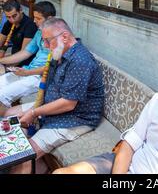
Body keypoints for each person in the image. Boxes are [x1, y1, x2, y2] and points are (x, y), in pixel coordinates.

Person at [9, 18, 104, 174]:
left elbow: (68, 104)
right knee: (10, 122)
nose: (45, 46)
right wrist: (35, 108)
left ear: (65, 37)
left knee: (22, 157)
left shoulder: (80, 60)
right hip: (51, 107)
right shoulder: (60, 52)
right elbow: (48, 87)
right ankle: (41, 167)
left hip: (75, 118)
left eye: (47, 41)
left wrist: (34, 112)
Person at [0, 1, 56, 116]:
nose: (34, 21)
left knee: (1, 95)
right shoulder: (39, 33)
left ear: (50, 18)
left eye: (38, 18)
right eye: (34, 17)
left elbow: (52, 67)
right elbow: (25, 52)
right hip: (27, 70)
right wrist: (1, 60)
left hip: (39, 77)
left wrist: (28, 72)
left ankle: (7, 126)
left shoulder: (58, 36)